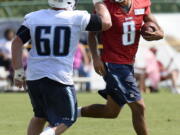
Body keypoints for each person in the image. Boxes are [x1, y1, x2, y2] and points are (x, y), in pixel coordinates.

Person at [11, 0, 112, 135]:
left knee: (40, 116)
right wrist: (99, 2)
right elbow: (106, 23)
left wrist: (18, 71)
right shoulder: (77, 17)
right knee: (67, 118)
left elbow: (17, 42)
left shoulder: (34, 17)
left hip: (34, 75)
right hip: (59, 77)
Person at [78, 0, 164, 135]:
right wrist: (95, 57)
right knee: (139, 107)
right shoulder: (105, 7)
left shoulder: (141, 3)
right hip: (113, 64)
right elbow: (92, 34)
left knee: (111, 111)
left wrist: (160, 32)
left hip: (128, 63)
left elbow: (151, 20)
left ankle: (71, 112)